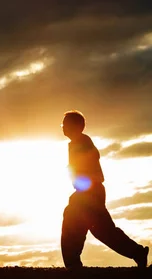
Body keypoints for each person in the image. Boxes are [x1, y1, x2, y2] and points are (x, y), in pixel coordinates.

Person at [60, 110, 149, 269]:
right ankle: (137, 252)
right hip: (88, 192)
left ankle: (73, 265)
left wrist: (80, 185)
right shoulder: (77, 143)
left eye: (66, 124)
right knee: (101, 229)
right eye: (63, 124)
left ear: (77, 126)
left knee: (83, 225)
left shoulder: (82, 143)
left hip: (89, 193)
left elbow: (89, 171)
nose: (63, 127)